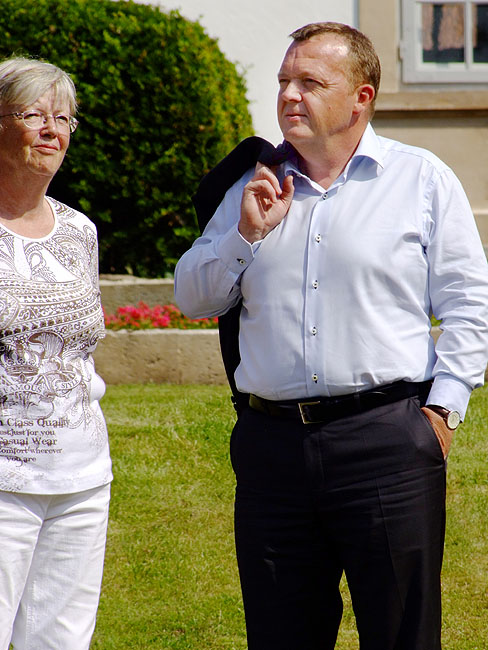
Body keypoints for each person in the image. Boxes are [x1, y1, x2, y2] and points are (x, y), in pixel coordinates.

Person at [174, 21, 488, 650]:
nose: (289, 94)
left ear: (360, 98)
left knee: (402, 634)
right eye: (284, 81)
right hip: (272, 451)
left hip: (387, 443)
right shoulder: (250, 185)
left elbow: (468, 304)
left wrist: (442, 412)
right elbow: (193, 297)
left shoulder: (420, 180)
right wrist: (245, 235)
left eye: (310, 82)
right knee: (281, 635)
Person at [0, 57, 112, 649]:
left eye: (63, 118)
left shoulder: (79, 231)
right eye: (33, 115)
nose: (52, 130)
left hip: (80, 478)